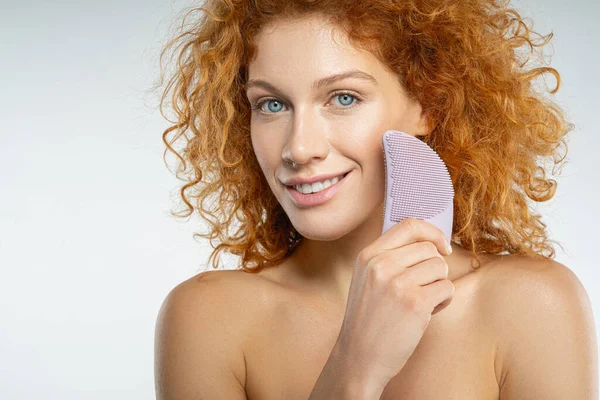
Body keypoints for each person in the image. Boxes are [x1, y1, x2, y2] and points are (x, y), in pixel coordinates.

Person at [153, 0, 598, 398]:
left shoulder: (533, 305)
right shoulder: (207, 321)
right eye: (271, 105)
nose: (298, 148)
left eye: (343, 98)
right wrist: (355, 366)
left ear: (427, 106)